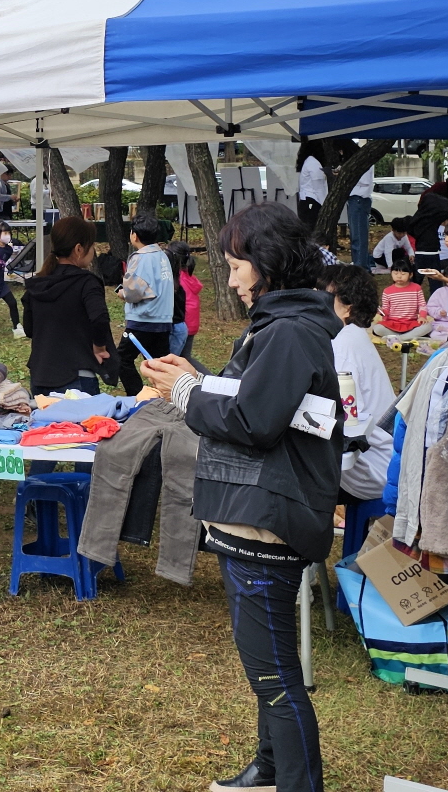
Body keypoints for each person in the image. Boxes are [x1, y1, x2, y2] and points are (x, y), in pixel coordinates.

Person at [139, 201, 339, 792]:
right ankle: (269, 769)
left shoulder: (289, 332)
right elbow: (260, 402)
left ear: (268, 263)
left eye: (235, 266)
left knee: (274, 673)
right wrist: (195, 380)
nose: (230, 281)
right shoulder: (284, 327)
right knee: (267, 668)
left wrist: (184, 394)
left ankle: (296, 782)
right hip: (254, 516)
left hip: (266, 523)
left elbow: (254, 422)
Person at [321, 264, 397, 551]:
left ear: (347, 308)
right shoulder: (353, 337)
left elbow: (341, 415)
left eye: (323, 297)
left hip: (369, 468)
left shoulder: (343, 342)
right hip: (377, 460)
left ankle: (298, 572)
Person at [22, 216, 115, 395]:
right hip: (77, 377)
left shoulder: (38, 284)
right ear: (79, 249)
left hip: (40, 376)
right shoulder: (86, 282)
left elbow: (29, 329)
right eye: (92, 246)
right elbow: (99, 318)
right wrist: (100, 347)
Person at [116, 215, 174, 394]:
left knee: (122, 359)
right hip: (163, 319)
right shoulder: (162, 255)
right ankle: (164, 397)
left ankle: (139, 395)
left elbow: (133, 292)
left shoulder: (140, 258)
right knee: (159, 365)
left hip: (143, 319)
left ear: (134, 235)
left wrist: (122, 293)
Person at [371, 255, 432, 342]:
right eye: (395, 273)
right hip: (392, 323)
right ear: (391, 273)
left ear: (410, 275)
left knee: (428, 327)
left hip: (411, 323)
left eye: (403, 274)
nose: (399, 276)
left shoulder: (416, 288)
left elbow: (422, 305)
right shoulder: (387, 291)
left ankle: (399, 338)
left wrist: (422, 317)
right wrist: (380, 311)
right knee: (377, 328)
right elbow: (386, 310)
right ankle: (407, 337)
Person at [172, 240, 203, 358]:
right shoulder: (190, 278)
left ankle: (208, 376)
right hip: (192, 325)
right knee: (185, 357)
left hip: (182, 324)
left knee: (182, 359)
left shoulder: (178, 280)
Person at [345, 163, 375, 270]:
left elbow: (365, 180)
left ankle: (361, 268)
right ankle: (360, 266)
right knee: (356, 237)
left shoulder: (364, 159)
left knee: (359, 238)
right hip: (356, 199)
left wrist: (346, 174)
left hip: (359, 198)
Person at [297, 145, 328, 230]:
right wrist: (325, 204)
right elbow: (318, 187)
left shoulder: (307, 161)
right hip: (312, 200)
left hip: (306, 200)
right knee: (312, 229)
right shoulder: (313, 163)